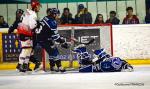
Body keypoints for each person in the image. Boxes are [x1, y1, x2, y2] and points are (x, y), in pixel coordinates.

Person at [34, 8, 69, 72]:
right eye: (57, 15)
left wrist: (59, 38)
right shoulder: (52, 23)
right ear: (54, 14)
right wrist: (61, 41)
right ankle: (60, 67)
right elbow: (55, 37)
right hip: (44, 39)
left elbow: (49, 32)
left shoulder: (46, 17)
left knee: (51, 51)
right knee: (55, 51)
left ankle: (52, 66)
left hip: (41, 37)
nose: (58, 16)